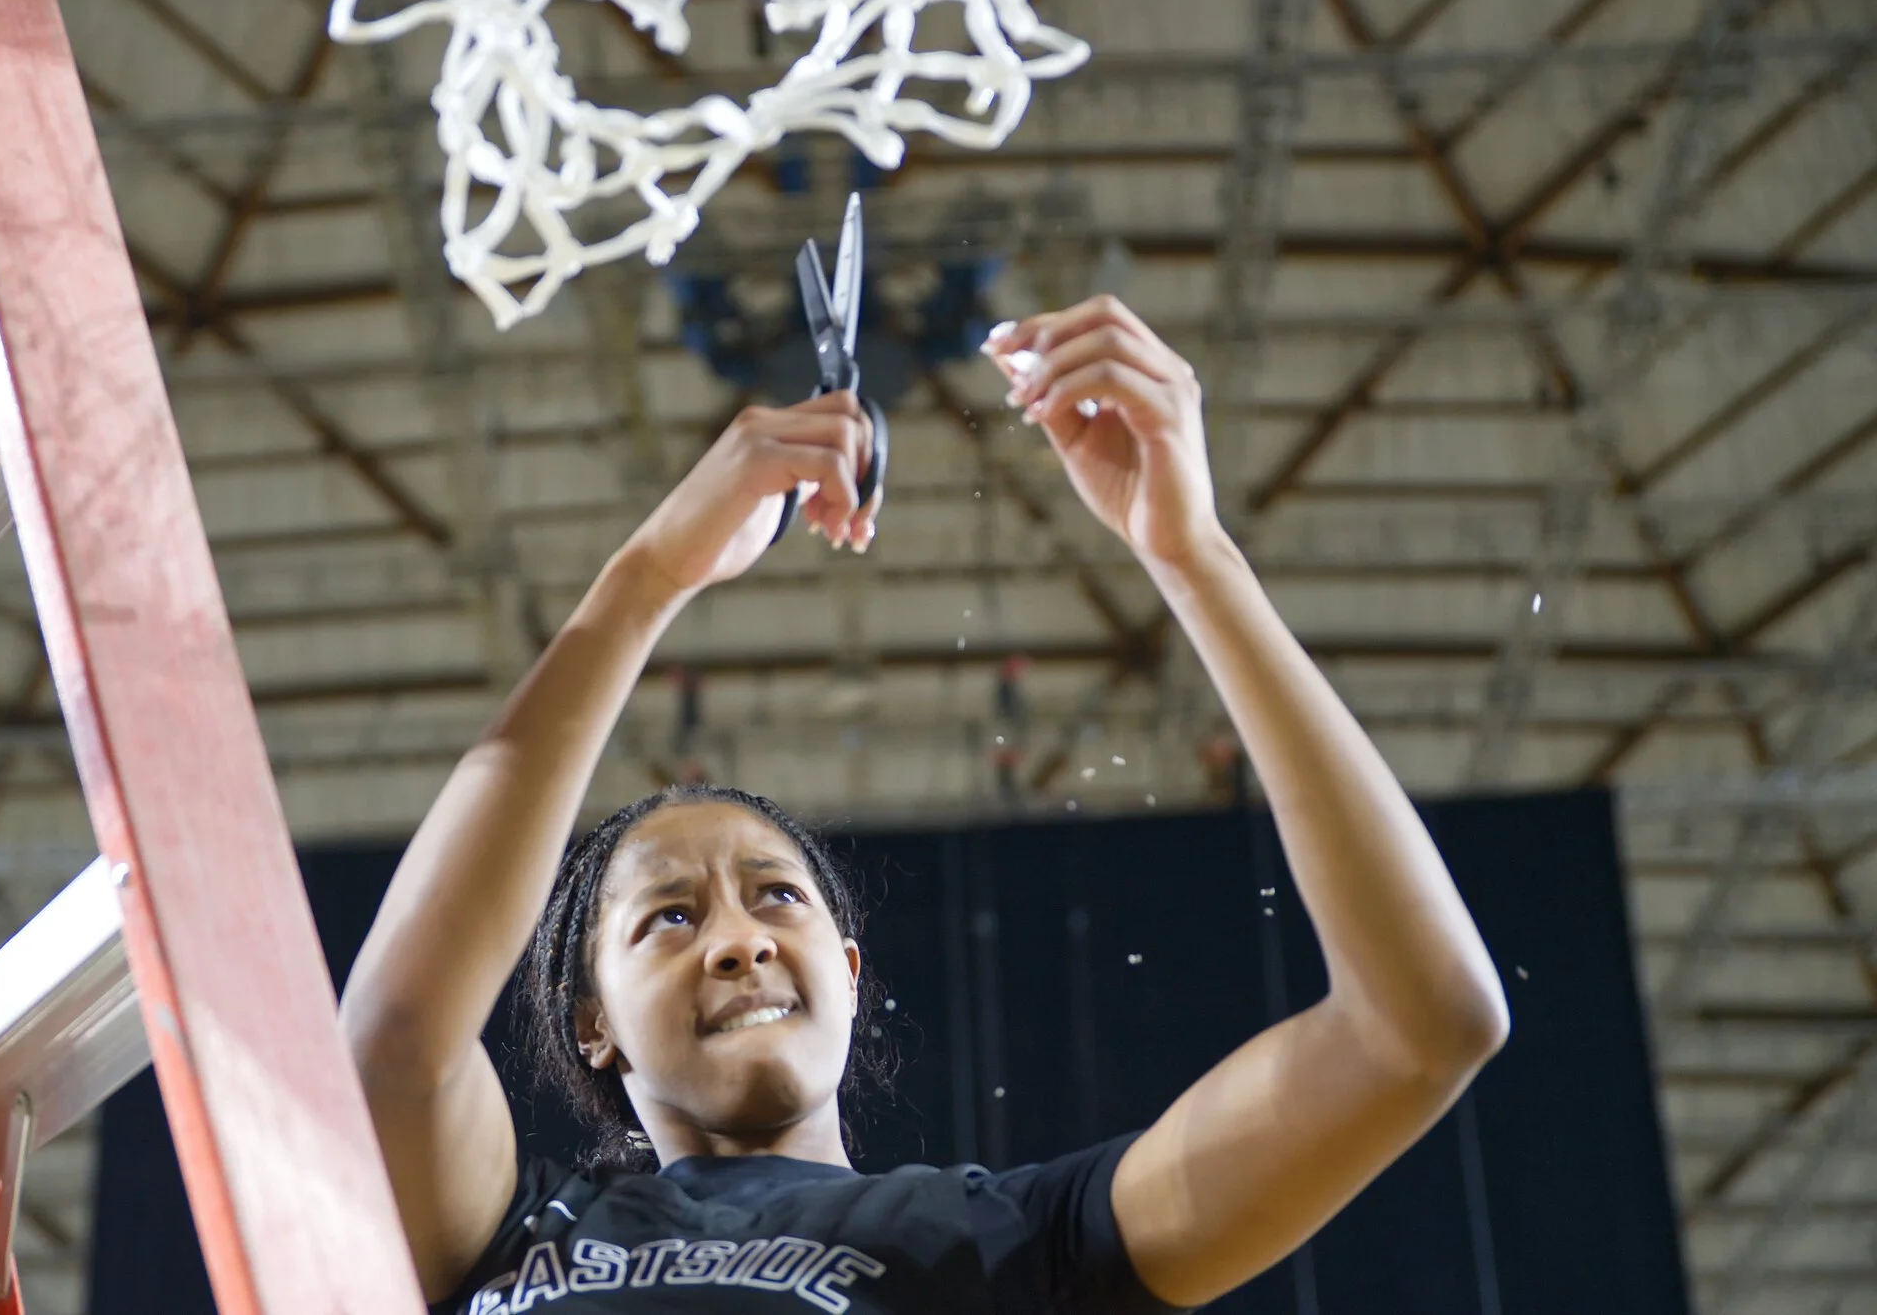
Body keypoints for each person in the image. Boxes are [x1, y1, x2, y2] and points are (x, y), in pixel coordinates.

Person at [339, 296, 1512, 1314]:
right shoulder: (504, 1232)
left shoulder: (1011, 1242)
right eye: (667, 917)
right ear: (590, 1018)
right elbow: (391, 1037)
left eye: (775, 895)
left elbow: (1422, 1026)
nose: (741, 938)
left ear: (849, 968)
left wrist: (1193, 554)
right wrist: (644, 577)